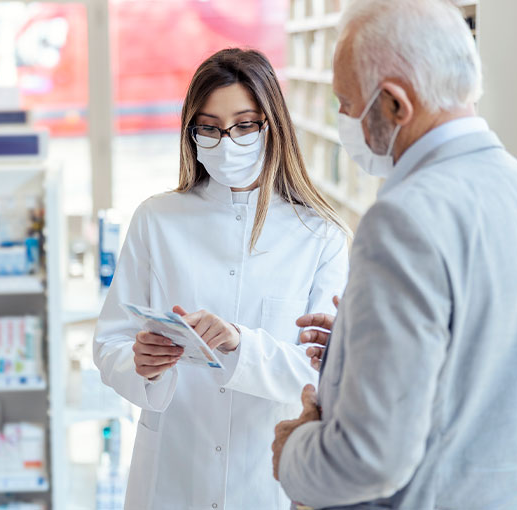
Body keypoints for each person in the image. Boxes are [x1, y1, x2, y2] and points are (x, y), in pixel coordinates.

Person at [271, 1, 517, 509]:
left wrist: (293, 450)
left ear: (396, 104)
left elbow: (370, 458)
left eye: (347, 102)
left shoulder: (402, 218)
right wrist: (360, 352)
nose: (344, 119)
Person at [93, 48, 350, 509]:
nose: (225, 141)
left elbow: (324, 373)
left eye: (244, 125)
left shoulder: (320, 236)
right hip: (172, 476)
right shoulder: (157, 219)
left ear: (272, 126)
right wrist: (142, 364)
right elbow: (110, 341)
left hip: (266, 480)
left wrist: (240, 346)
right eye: (208, 127)